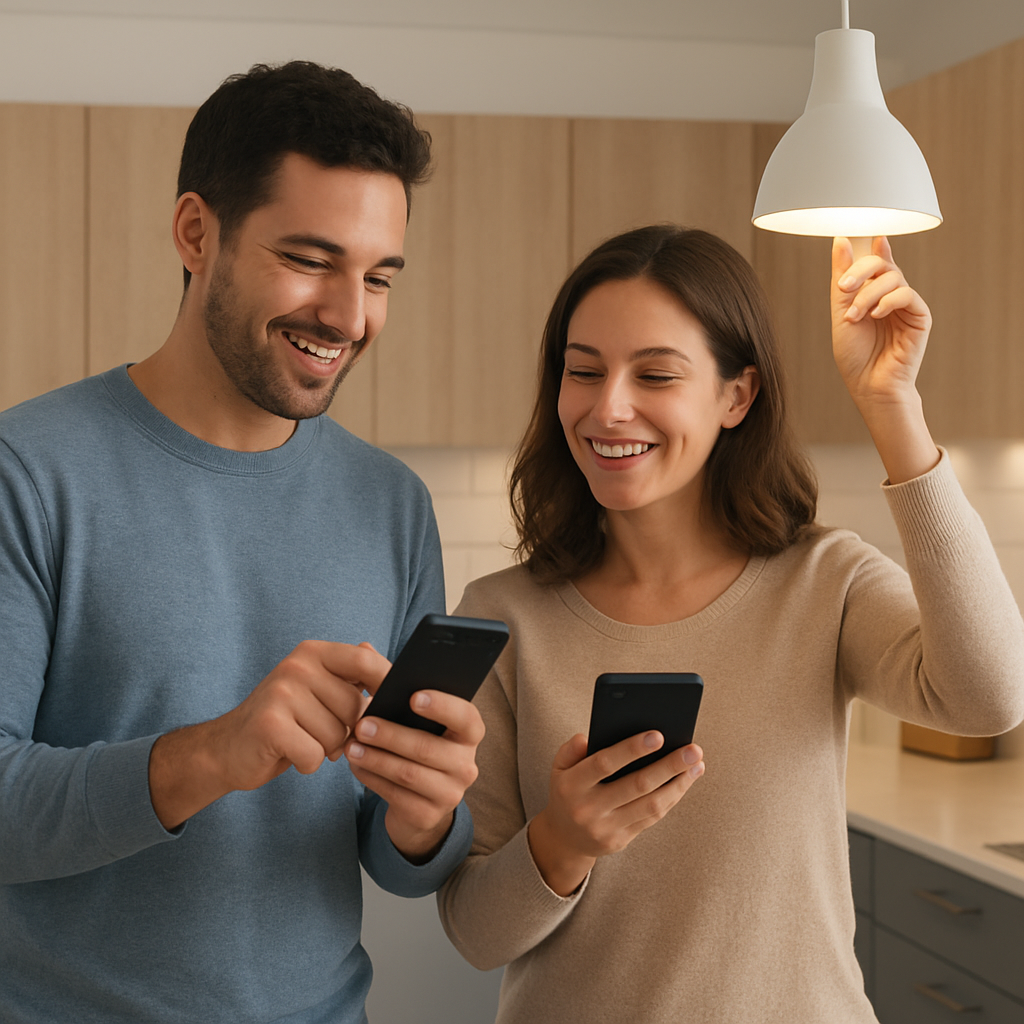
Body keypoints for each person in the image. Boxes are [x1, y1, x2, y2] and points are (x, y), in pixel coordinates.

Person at [437, 225, 1024, 1023]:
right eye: (583, 371)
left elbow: (991, 697)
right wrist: (563, 842)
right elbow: (474, 932)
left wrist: (892, 406)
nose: (609, 407)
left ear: (736, 396)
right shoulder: (503, 619)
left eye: (655, 374)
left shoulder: (824, 581)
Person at [0, 62, 485, 1023]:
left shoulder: (393, 505)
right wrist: (211, 755)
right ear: (196, 233)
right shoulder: (29, 470)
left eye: (377, 276)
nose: (349, 317)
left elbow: (395, 859)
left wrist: (428, 818)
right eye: (310, 259)